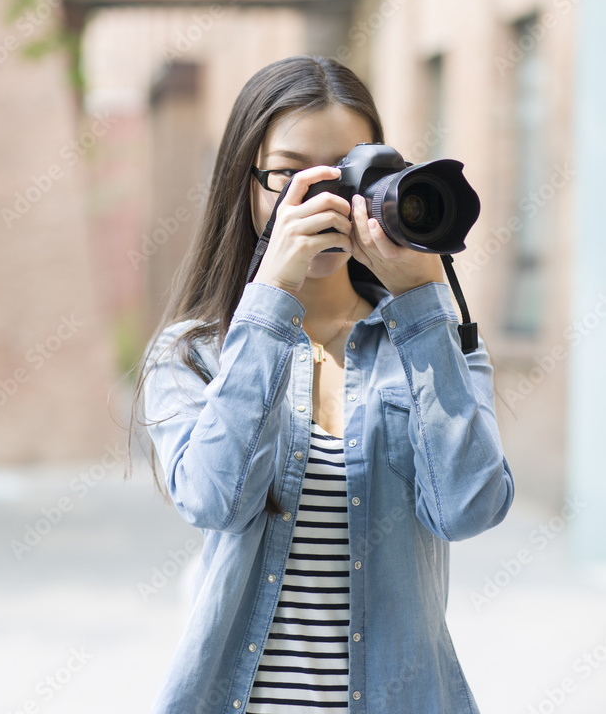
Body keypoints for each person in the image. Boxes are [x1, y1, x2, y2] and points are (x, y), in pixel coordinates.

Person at [131, 55, 514, 714]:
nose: (327, 199)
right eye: (290, 174)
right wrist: (270, 299)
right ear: (245, 186)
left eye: (347, 171)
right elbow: (213, 501)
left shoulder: (430, 342)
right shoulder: (193, 353)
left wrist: (422, 305)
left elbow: (467, 509)